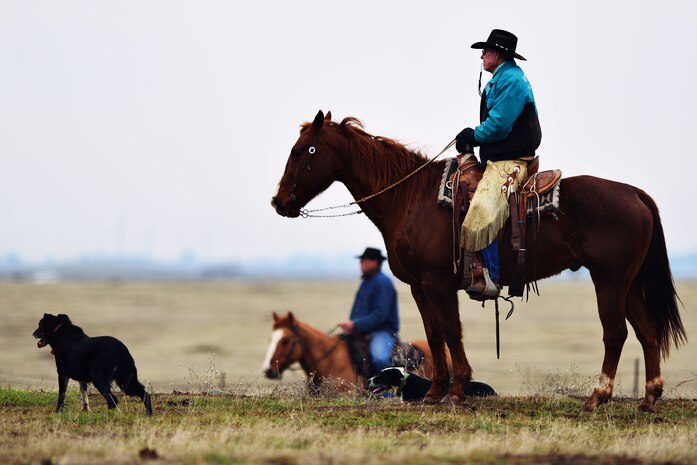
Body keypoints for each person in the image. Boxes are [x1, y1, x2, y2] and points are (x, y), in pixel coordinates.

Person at [454, 29, 542, 300]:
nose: (481, 56)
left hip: (511, 160)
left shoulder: (512, 81)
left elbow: (500, 125)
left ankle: (489, 276)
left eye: (485, 51)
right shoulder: (502, 79)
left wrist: (474, 136)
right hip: (498, 158)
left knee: (482, 208)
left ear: (498, 55)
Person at [339, 247, 399, 372]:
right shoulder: (366, 282)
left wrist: (355, 324)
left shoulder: (383, 283)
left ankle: (389, 390)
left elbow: (380, 315)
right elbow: (358, 310)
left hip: (382, 331)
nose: (360, 264)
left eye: (363, 261)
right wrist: (351, 325)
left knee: (380, 358)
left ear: (374, 262)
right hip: (362, 331)